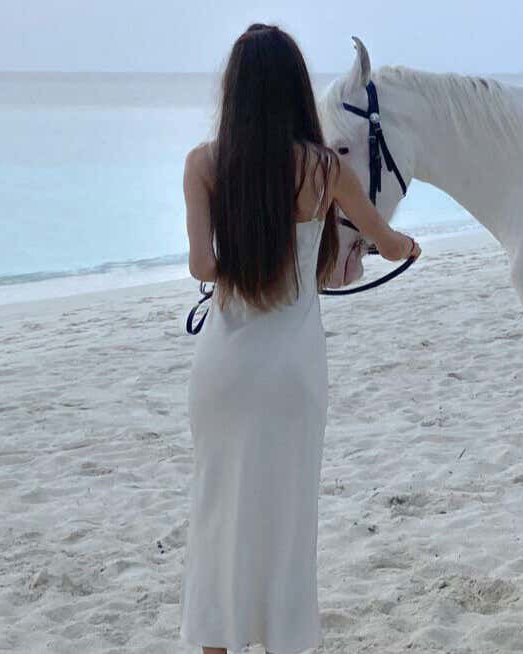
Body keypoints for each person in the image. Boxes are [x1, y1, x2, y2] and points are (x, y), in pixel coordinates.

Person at [179, 24, 419, 654]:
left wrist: (247, 260)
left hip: (224, 366)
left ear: (234, 92)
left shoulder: (204, 165)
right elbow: (384, 239)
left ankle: (217, 644)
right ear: (292, 91)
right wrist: (404, 246)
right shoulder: (324, 168)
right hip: (292, 370)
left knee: (218, 512)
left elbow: (202, 267)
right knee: (286, 518)